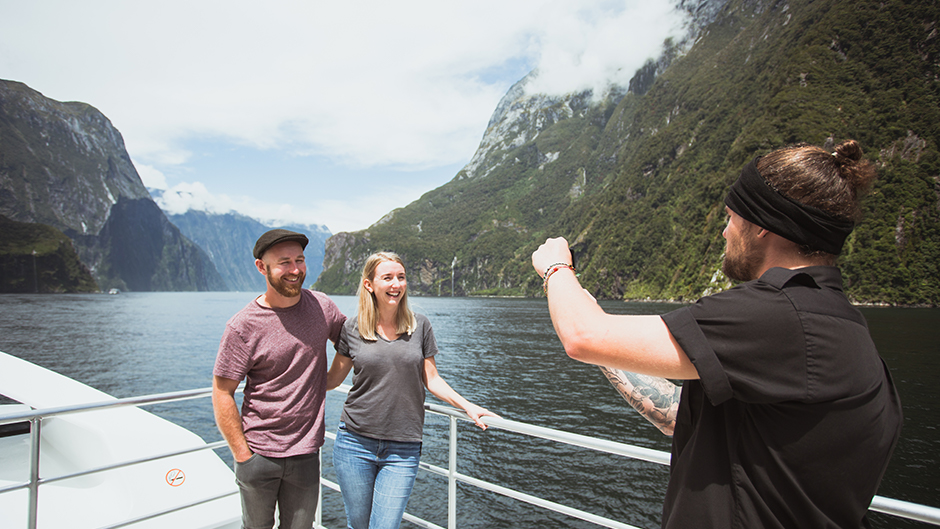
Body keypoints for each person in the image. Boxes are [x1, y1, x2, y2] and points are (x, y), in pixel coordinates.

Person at [531, 140, 903, 528]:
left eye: (731, 217)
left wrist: (557, 267)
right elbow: (683, 414)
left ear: (762, 225)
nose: (725, 232)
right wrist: (604, 338)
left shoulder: (776, 316)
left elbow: (581, 337)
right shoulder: (840, 327)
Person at [326, 251, 499, 529]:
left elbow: (432, 379)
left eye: (401, 277)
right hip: (354, 443)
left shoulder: (419, 326)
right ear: (369, 284)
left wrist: (468, 406)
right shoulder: (353, 327)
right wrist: (292, 382)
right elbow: (332, 379)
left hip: (402, 447)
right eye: (388, 278)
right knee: (357, 525)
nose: (396, 284)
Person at [212, 229, 346, 529]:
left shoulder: (323, 307)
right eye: (284, 262)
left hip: (306, 453)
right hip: (258, 454)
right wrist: (242, 455)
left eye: (300, 260)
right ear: (262, 267)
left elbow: (353, 342)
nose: (296, 270)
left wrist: (329, 381)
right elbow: (222, 392)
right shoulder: (242, 327)